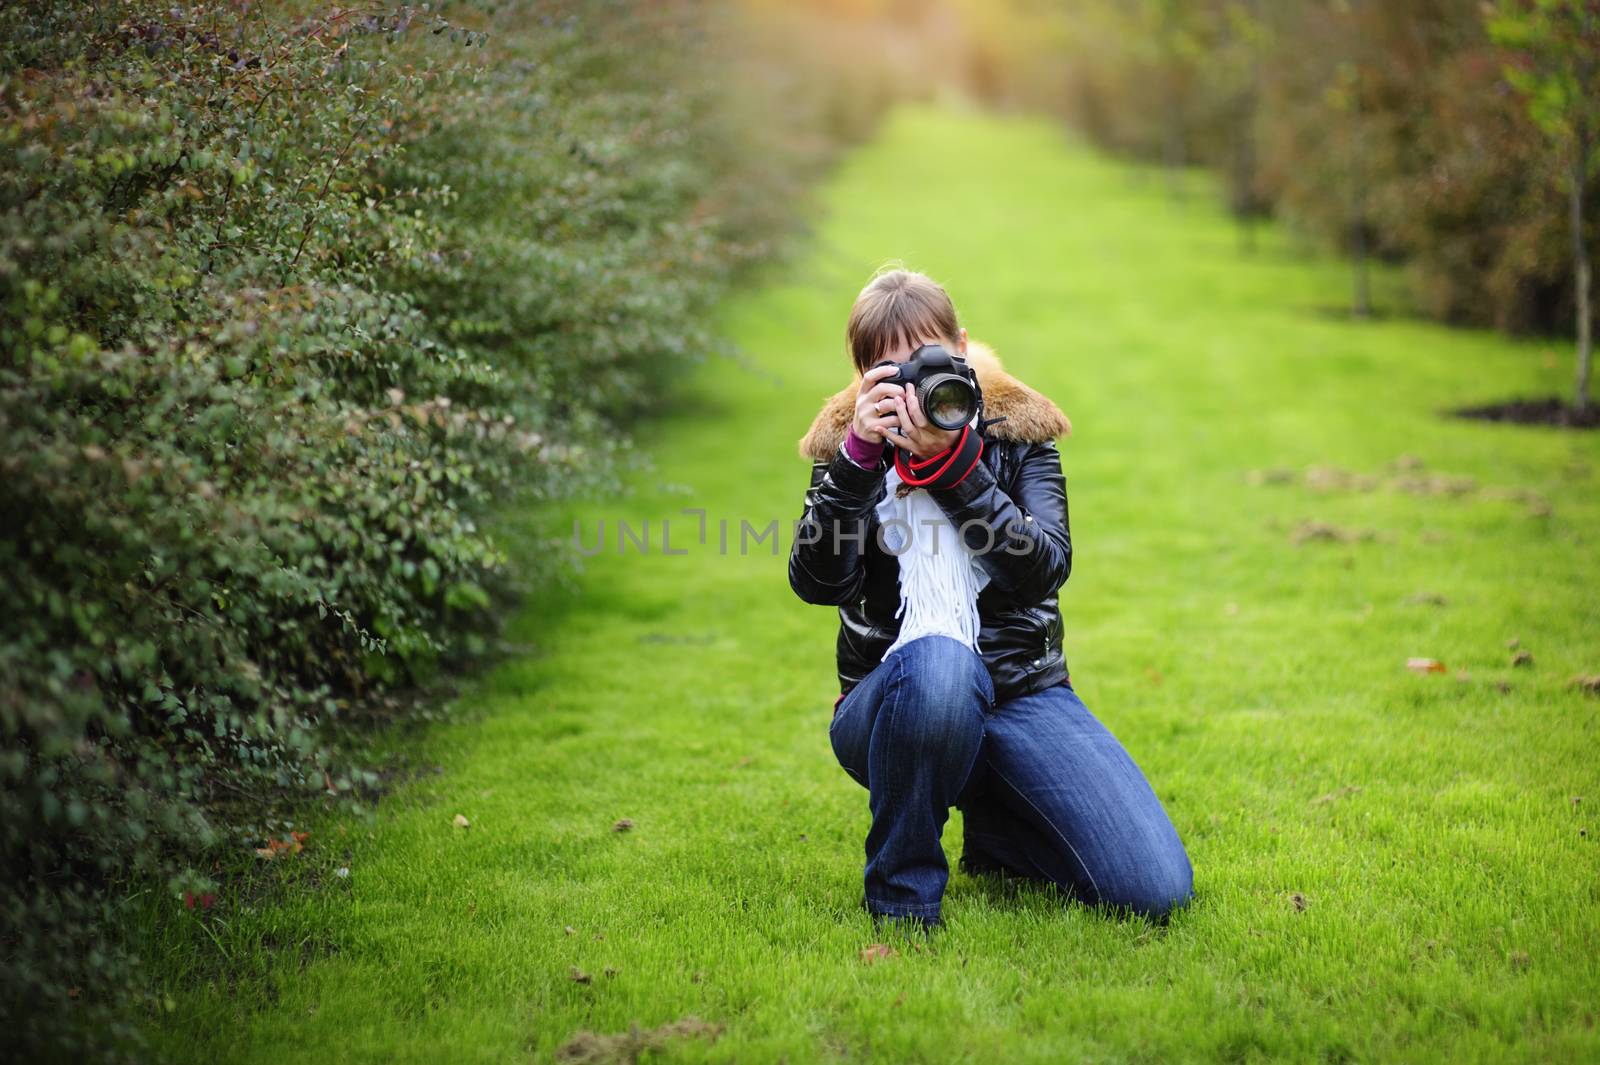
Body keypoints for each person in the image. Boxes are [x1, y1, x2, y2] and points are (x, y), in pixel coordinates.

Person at [788, 266, 1195, 934]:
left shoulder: (1018, 432)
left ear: (963, 344)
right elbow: (817, 581)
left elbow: (1043, 568)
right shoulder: (849, 448)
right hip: (891, 703)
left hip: (1021, 694)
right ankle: (903, 899)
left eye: (928, 360)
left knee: (1152, 888)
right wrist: (860, 459)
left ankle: (1003, 830)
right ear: (862, 379)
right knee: (942, 662)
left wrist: (950, 467)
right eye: (890, 374)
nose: (914, 389)